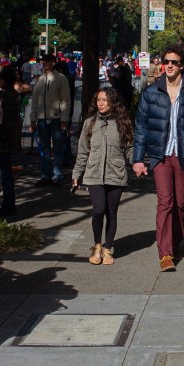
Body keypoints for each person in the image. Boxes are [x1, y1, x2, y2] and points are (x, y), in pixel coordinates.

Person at [133, 43, 184, 272]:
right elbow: (141, 128)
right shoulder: (151, 93)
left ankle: (176, 242)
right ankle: (165, 253)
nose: (169, 65)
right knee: (165, 202)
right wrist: (138, 159)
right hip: (161, 156)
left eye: (174, 62)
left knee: (181, 203)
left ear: (182, 65)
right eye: (165, 61)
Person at [72, 87, 134, 265]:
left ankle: (107, 248)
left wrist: (136, 163)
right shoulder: (90, 123)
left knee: (111, 212)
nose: (100, 103)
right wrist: (77, 174)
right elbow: (82, 151)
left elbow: (130, 148)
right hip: (94, 174)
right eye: (98, 100)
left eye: (105, 100)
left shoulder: (123, 123)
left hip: (116, 173)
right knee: (99, 210)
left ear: (112, 102)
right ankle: (97, 245)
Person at [28, 53, 71, 186]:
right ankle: (45, 174)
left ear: (53, 63)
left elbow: (66, 99)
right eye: (43, 62)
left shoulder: (61, 78)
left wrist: (64, 118)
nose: (44, 64)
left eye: (46, 62)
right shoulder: (40, 79)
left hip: (56, 118)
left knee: (57, 147)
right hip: (42, 118)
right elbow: (35, 100)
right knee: (44, 147)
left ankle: (57, 174)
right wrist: (33, 118)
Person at [0, 66, 22, 217]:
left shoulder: (7, 97)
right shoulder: (9, 95)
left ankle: (8, 204)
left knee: (5, 173)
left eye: (0, 79)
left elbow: (6, 121)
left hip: (4, 140)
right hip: (6, 138)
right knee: (5, 172)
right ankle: (8, 204)